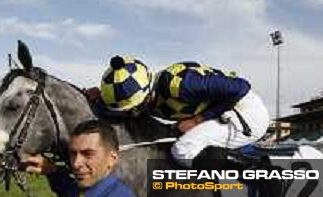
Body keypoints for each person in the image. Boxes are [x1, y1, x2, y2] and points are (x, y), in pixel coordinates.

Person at [91, 55, 270, 166]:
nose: (134, 113)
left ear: (145, 96)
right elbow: (119, 114)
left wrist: (197, 120)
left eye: (134, 108)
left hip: (246, 111)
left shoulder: (183, 85)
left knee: (183, 149)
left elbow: (241, 87)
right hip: (225, 113)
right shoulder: (147, 90)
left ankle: (258, 170)